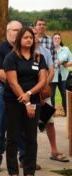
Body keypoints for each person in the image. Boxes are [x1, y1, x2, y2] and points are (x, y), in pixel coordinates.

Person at [4, 27, 47, 176]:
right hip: (14, 101)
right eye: (25, 37)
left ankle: (29, 171)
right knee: (13, 137)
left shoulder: (38, 57)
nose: (29, 40)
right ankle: (13, 171)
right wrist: (26, 100)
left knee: (31, 136)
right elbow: (13, 82)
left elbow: (42, 80)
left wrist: (29, 95)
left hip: (33, 100)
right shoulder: (11, 57)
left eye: (31, 37)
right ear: (19, 40)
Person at [0, 21, 24, 173]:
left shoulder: (25, 49)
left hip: (23, 94)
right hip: (4, 92)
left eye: (20, 30)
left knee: (22, 127)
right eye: (15, 30)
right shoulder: (0, 50)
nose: (18, 33)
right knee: (0, 126)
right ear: (8, 31)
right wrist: (18, 85)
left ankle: (24, 158)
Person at [31, 29, 70, 163]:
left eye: (35, 33)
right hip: (27, 93)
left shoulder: (45, 51)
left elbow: (51, 71)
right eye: (30, 34)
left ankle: (54, 151)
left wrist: (42, 87)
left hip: (43, 93)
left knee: (49, 122)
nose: (33, 36)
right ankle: (27, 156)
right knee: (28, 126)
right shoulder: (21, 52)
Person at [50, 32, 72, 116]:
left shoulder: (65, 49)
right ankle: (51, 116)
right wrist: (55, 63)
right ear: (52, 40)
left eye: (58, 38)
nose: (57, 40)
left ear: (60, 39)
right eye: (55, 38)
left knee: (65, 95)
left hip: (63, 76)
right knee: (51, 96)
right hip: (52, 76)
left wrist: (67, 64)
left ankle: (68, 114)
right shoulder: (49, 50)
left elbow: (71, 60)